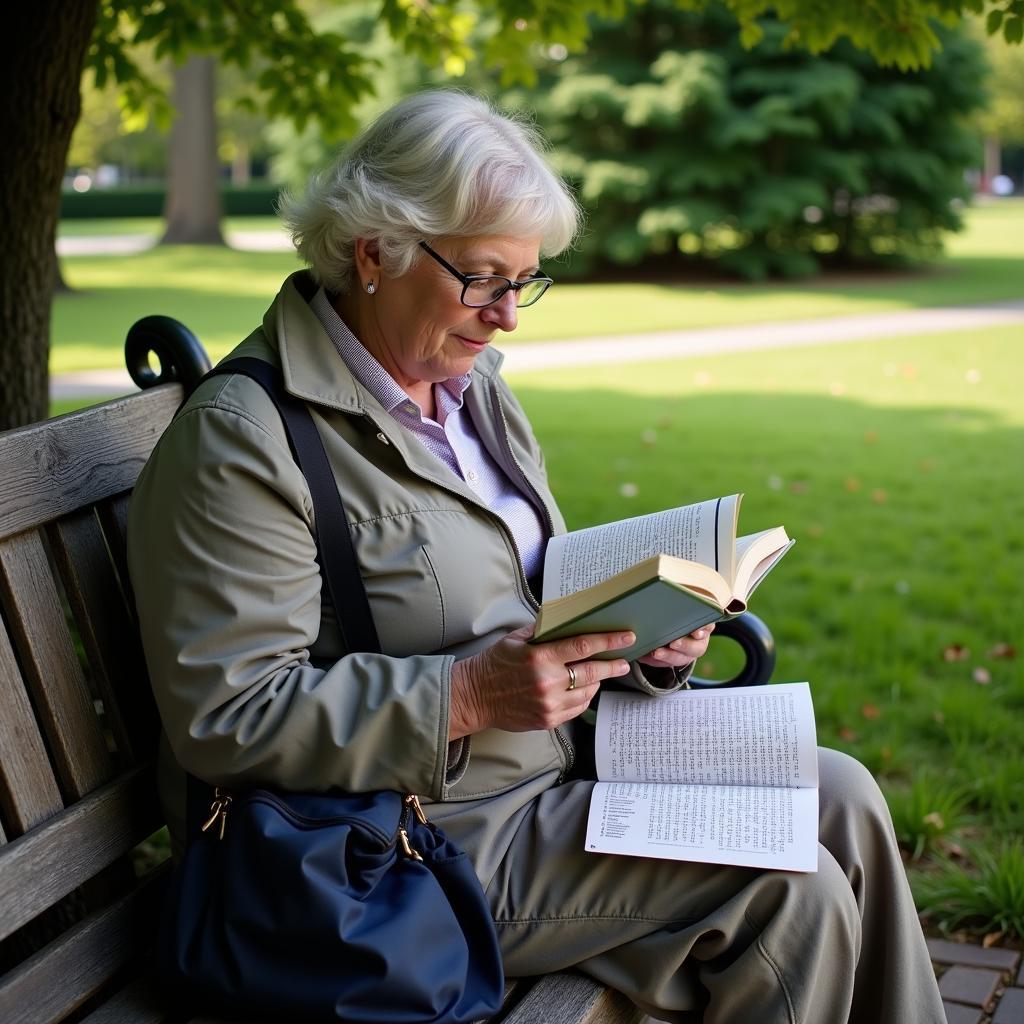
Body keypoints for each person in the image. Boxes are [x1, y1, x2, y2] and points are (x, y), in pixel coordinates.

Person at [127, 90, 945, 1024]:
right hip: (417, 839)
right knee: (788, 896)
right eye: (484, 279)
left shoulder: (470, 390)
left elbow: (521, 588)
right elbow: (227, 715)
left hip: (561, 764)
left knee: (840, 793)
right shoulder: (245, 439)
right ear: (375, 253)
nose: (509, 316)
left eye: (526, 281)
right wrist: (468, 697)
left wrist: (640, 633)